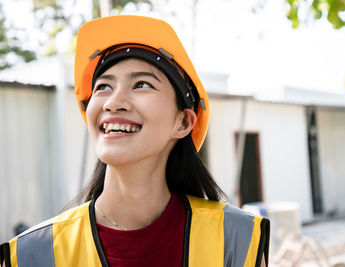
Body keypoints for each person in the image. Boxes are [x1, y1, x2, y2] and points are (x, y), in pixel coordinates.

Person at [0, 15, 269, 267]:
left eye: (141, 84)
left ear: (184, 122)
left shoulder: (237, 239)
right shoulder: (31, 254)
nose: (114, 103)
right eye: (103, 87)